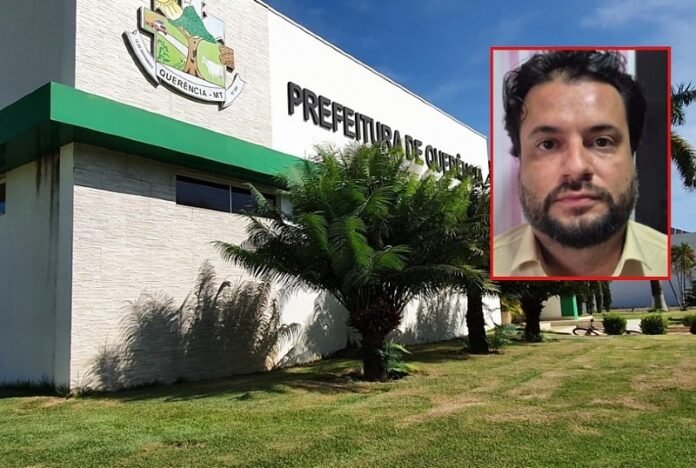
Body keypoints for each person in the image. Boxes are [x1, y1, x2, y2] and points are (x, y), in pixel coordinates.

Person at [493, 50, 668, 277]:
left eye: (602, 142)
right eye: (548, 144)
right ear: (520, 159)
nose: (576, 168)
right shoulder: (488, 263)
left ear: (632, 154)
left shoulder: (672, 259)